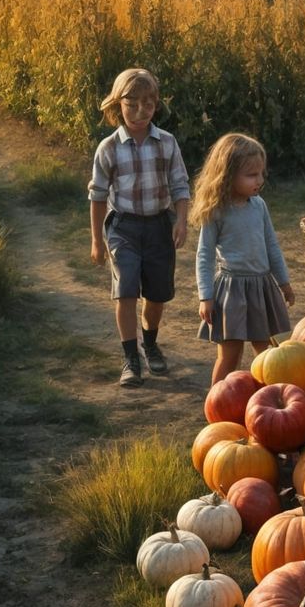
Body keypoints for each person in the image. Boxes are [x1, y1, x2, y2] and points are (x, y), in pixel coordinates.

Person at [88, 67, 190, 387]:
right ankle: (130, 357)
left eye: (147, 104)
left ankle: (150, 342)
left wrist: (182, 221)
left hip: (159, 225)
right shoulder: (109, 148)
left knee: (157, 294)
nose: (139, 112)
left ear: (156, 104)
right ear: (118, 104)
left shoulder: (167, 143)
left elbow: (180, 186)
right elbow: (98, 195)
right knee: (126, 289)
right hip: (124, 227)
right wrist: (96, 240)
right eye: (131, 104)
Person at [190, 132, 295, 384]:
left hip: (262, 287)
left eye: (261, 174)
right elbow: (204, 255)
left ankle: (272, 398)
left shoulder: (259, 206)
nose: (258, 180)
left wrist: (284, 283)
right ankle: (217, 405)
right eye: (251, 175)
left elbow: (272, 246)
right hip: (231, 291)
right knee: (230, 356)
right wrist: (205, 296)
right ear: (227, 175)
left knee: (268, 353)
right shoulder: (216, 211)